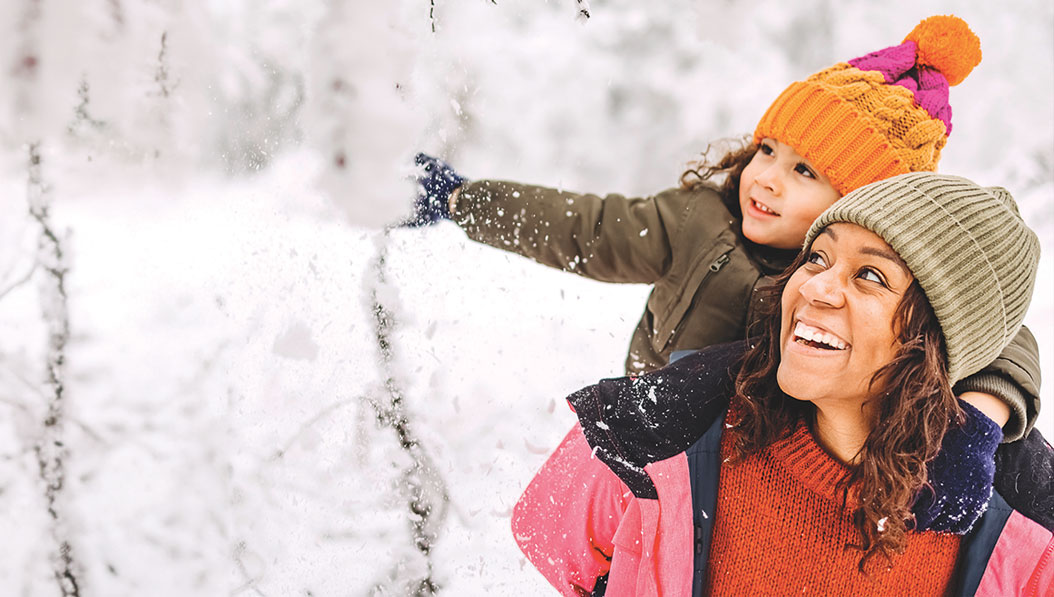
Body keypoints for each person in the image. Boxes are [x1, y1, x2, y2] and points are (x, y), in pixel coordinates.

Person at [409, 16, 1042, 444]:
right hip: (653, 426)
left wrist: (984, 418)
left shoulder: (861, 285)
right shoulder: (699, 219)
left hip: (764, 465)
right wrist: (464, 199)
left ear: (857, 208)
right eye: (767, 149)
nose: (765, 178)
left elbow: (998, 328)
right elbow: (585, 227)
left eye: (803, 170)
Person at [511, 172, 1052, 596]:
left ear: (939, 339)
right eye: (817, 257)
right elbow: (548, 531)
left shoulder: (1020, 512)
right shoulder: (677, 421)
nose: (816, 287)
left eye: (870, 275)